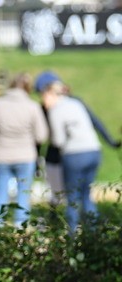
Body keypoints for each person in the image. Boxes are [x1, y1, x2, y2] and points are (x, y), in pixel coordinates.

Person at [34, 70, 119, 204]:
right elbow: (38, 137)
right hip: (58, 154)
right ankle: (60, 219)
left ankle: (72, 218)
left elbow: (94, 121)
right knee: (60, 193)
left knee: (74, 192)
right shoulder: (56, 106)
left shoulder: (71, 104)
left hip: (71, 153)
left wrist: (111, 142)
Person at [42, 80, 107, 234]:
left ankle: (72, 236)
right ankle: (94, 234)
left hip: (74, 155)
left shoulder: (56, 110)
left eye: (44, 96)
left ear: (52, 94)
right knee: (86, 194)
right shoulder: (76, 103)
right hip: (94, 151)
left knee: (72, 198)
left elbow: (58, 140)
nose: (43, 100)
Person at [0, 72, 47, 226]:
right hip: (25, 156)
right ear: (28, 88)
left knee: (0, 192)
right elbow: (41, 135)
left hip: (2, 155)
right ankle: (21, 227)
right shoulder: (32, 107)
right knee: (23, 194)